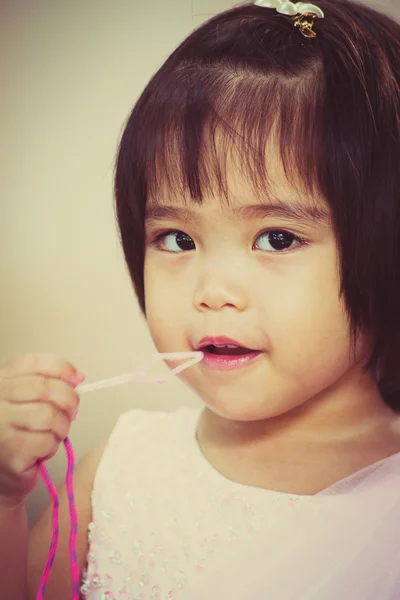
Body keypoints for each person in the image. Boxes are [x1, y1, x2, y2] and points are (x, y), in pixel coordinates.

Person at [1, 0, 400, 598]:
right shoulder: (125, 464)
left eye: (277, 238)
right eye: (176, 239)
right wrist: (6, 499)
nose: (210, 292)